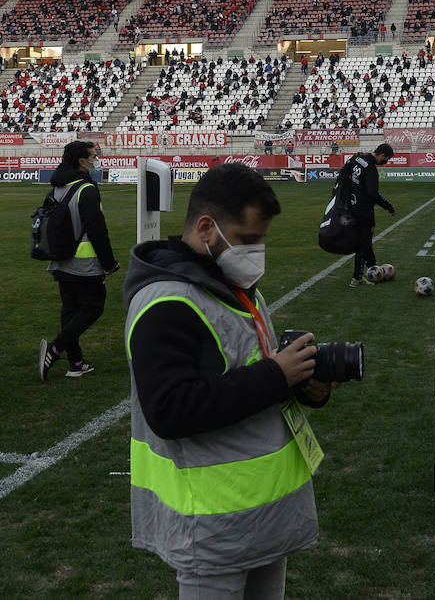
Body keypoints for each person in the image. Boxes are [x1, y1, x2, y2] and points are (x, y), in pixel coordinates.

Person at [123, 163, 336, 597]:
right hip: (211, 530)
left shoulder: (231, 284)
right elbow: (170, 409)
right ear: (206, 227)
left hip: (264, 518)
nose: (256, 252)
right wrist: (277, 374)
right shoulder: (166, 303)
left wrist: (301, 384)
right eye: (248, 240)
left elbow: (249, 369)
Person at [39, 140, 120, 381]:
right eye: (93, 157)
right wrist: (108, 263)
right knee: (93, 308)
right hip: (84, 262)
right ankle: (54, 349)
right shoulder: (87, 189)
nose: (96, 161)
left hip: (60, 258)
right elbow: (97, 230)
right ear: (82, 162)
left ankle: (75, 363)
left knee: (70, 309)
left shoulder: (56, 188)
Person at [345, 143, 396, 287]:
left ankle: (373, 266)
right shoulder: (371, 169)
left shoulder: (357, 159)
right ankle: (357, 279)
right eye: (387, 159)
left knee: (364, 242)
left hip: (351, 207)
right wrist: (389, 207)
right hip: (363, 212)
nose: (386, 162)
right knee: (363, 243)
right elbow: (373, 193)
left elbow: (345, 177)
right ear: (382, 155)